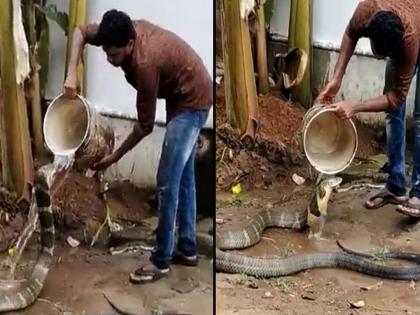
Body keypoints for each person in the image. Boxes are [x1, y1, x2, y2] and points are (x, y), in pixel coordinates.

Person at [63, 9, 213, 283]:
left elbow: (144, 126)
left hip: (192, 101)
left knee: (167, 180)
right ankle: (188, 249)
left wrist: (113, 157)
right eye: (106, 53)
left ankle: (161, 261)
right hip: (180, 92)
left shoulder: (145, 63)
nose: (110, 60)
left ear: (130, 45)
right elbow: (79, 33)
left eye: (116, 55)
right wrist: (71, 72)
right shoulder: (115, 30)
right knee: (184, 176)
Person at [319, 0, 420, 217]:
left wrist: (355, 106)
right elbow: (350, 32)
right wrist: (337, 78)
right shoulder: (368, 9)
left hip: (417, 33)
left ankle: (419, 194)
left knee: (419, 119)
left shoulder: (408, 39)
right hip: (405, 30)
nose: (381, 59)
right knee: (394, 116)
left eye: (387, 55)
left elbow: (396, 98)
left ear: (398, 45)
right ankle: (395, 186)